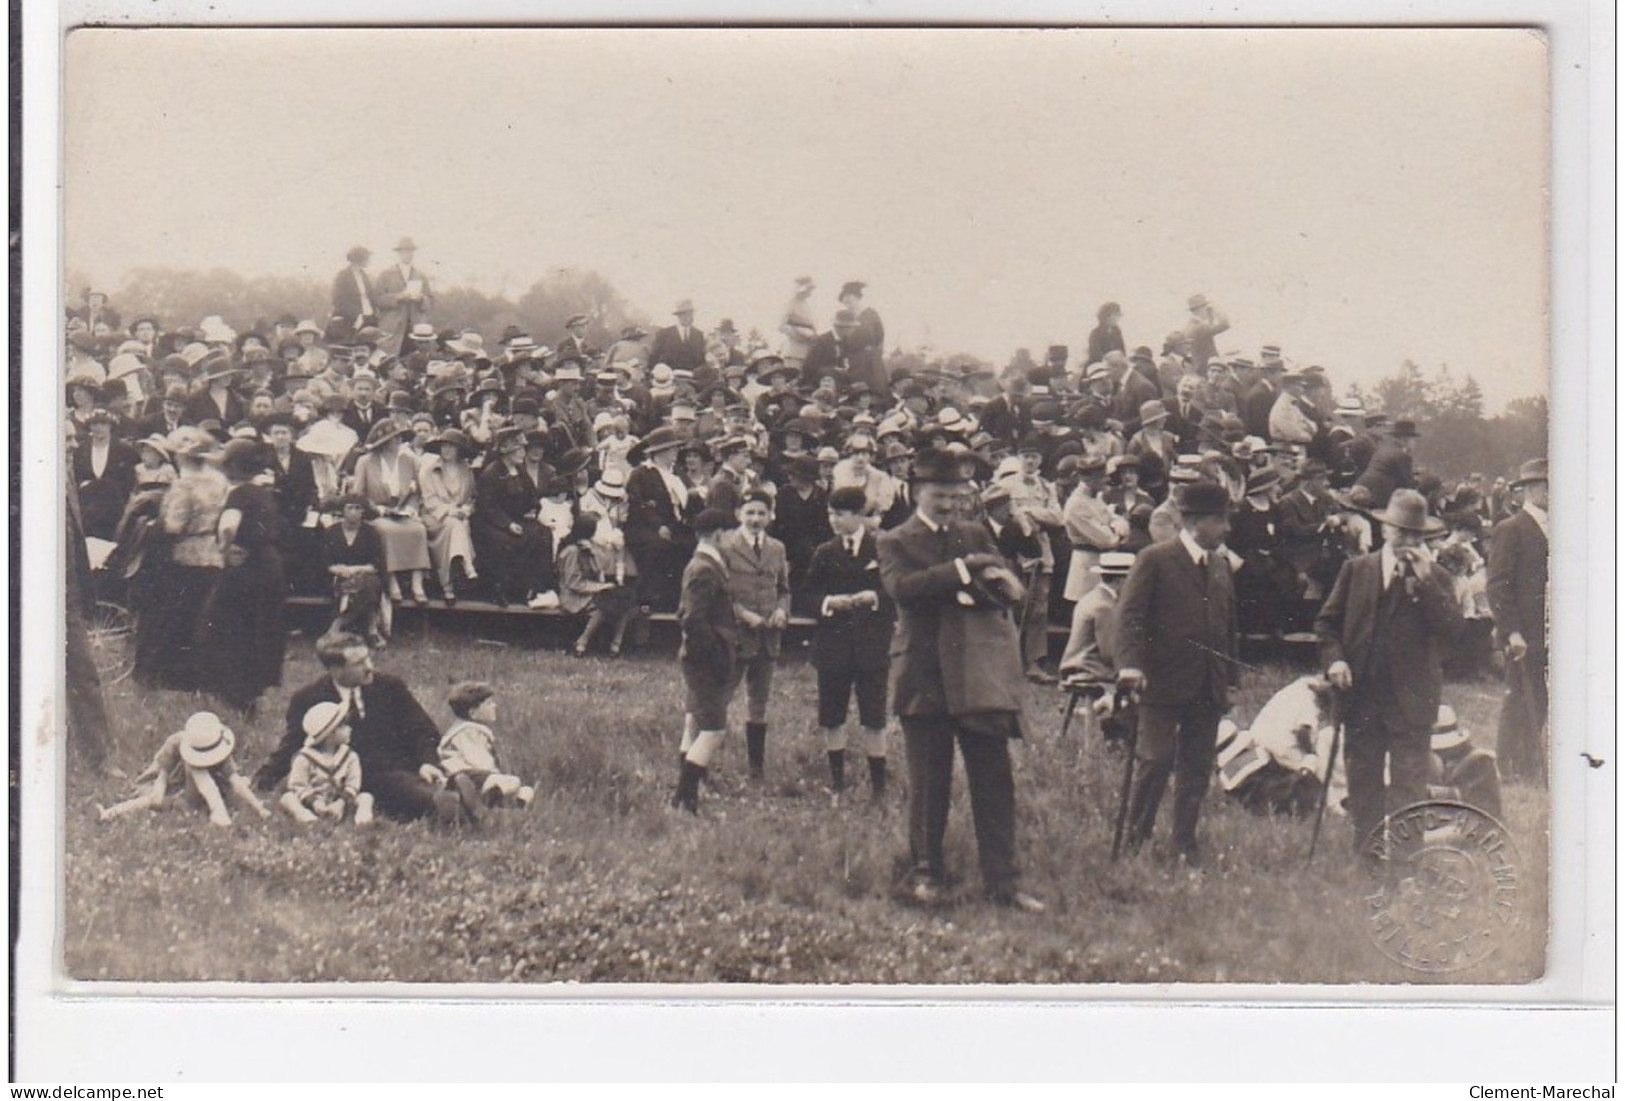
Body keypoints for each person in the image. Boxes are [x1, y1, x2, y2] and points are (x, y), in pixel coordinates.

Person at [877, 448, 1044, 912]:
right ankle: (925, 874)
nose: (950, 505)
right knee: (929, 784)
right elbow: (905, 591)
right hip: (925, 677)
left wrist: (996, 579)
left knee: (994, 780)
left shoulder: (974, 532)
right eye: (939, 496)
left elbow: (1006, 585)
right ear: (916, 493)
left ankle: (1003, 881)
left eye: (957, 496)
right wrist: (965, 571)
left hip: (979, 678)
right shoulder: (895, 540)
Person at [1315, 489, 1463, 857]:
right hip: (1362, 693)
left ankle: (1404, 863)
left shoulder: (1438, 577)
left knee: (1408, 782)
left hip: (1411, 698)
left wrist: (1427, 582)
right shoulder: (1356, 570)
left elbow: (1453, 631)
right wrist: (1335, 661)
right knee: (1363, 777)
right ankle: (1367, 855)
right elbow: (1326, 624)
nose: (1408, 542)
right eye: (1401, 533)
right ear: (1384, 531)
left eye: (1417, 535)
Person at [1114, 480, 1238, 865]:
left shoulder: (1219, 566)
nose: (1227, 529)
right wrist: (1130, 665)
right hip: (1162, 680)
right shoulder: (1156, 558)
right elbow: (1129, 616)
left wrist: (1229, 677)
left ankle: (1184, 841)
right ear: (1197, 522)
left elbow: (1226, 624)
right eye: (1221, 521)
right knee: (1156, 759)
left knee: (1197, 767)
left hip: (1207, 684)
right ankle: (1136, 838)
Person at [257, 632, 462, 823]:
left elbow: (422, 729)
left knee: (410, 781)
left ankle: (462, 794)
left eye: (368, 658)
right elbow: (292, 744)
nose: (370, 666)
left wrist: (428, 762)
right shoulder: (309, 697)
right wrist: (263, 780)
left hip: (397, 765)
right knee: (408, 792)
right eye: (359, 663)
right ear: (336, 669)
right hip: (347, 776)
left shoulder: (390, 686)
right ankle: (448, 805)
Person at [803, 486, 896, 799]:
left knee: (874, 714)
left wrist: (875, 598)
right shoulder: (825, 552)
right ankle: (837, 779)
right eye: (830, 514)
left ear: (858, 515)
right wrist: (830, 602)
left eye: (840, 514)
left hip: (872, 646)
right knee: (832, 713)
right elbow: (807, 597)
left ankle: (879, 783)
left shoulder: (881, 549)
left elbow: (899, 593)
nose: (834, 520)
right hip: (833, 645)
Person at [193, 439, 287, 716]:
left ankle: (235, 694)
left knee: (218, 628)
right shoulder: (262, 493)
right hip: (269, 568)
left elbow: (227, 528)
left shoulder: (238, 495)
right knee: (257, 631)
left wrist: (227, 551)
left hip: (246, 569)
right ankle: (251, 693)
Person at [671, 508, 742, 814]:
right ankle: (685, 797)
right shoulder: (704, 568)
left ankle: (686, 793)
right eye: (730, 533)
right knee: (713, 730)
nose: (733, 539)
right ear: (716, 535)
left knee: (695, 721)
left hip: (699, 656)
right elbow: (692, 619)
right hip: (705, 659)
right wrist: (713, 653)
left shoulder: (707, 563)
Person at [718, 489, 791, 780]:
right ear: (738, 514)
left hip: (767, 637)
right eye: (750, 512)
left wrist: (782, 611)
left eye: (761, 513)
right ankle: (705, 761)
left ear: (770, 516)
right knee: (721, 697)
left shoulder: (777, 548)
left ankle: (755, 768)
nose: (755, 519)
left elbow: (784, 588)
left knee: (759, 702)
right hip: (735, 636)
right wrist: (743, 614)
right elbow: (719, 594)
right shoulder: (725, 546)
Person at [1487, 458, 1549, 785]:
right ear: (1533, 489)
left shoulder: (1555, 526)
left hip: (1547, 629)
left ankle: (1527, 760)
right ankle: (1508, 764)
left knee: (1540, 696)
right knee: (1518, 696)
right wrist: (1511, 630)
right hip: (1522, 632)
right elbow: (1498, 585)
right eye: (1549, 487)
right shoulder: (1511, 528)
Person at [98, 711, 271, 828]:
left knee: (209, 774)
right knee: (151, 799)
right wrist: (158, 793)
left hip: (217, 789)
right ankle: (109, 813)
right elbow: (162, 773)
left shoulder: (219, 747)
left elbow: (235, 781)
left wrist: (259, 808)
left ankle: (219, 810)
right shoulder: (176, 743)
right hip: (182, 790)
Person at [473, 427, 559, 608]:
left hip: (518, 518)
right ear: (507, 451)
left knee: (542, 534)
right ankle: (501, 588)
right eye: (519, 449)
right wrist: (507, 524)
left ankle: (534, 587)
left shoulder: (520, 470)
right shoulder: (491, 473)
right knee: (506, 541)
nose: (523, 453)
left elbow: (531, 495)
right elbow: (487, 507)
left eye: (522, 448)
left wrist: (534, 510)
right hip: (492, 523)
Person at [350, 421, 432, 605]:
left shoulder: (408, 460)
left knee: (418, 529)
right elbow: (358, 495)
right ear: (384, 442)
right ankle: (392, 581)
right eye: (394, 439)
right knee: (388, 532)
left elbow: (415, 491)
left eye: (399, 438)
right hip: (377, 514)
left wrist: (410, 508)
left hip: (402, 512)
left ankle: (417, 583)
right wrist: (377, 509)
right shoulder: (366, 462)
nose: (398, 442)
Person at [439, 681, 535, 824]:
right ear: (473, 712)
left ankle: (507, 812)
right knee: (513, 782)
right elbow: (478, 761)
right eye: (489, 704)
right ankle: (482, 807)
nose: (494, 706)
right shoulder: (468, 731)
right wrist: (496, 776)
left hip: (478, 777)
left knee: (526, 791)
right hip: (467, 775)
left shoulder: (472, 729)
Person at [624, 426, 694, 613]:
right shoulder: (641, 473)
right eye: (672, 449)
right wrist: (659, 525)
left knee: (689, 544)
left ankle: (679, 599)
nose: (676, 452)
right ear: (659, 452)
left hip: (673, 525)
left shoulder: (678, 473)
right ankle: (648, 598)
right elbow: (638, 504)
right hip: (644, 527)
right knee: (658, 545)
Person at [279, 701, 376, 825]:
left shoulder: (350, 756)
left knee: (366, 797)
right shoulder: (304, 758)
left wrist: (341, 802)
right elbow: (299, 785)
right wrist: (315, 803)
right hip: (312, 800)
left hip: (341, 800)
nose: (349, 729)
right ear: (330, 733)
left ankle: (363, 816)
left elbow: (353, 783)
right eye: (343, 726)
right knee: (288, 798)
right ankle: (304, 815)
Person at [557, 513, 639, 657]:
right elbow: (573, 583)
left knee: (626, 599)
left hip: (589, 591)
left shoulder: (588, 547)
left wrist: (592, 552)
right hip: (574, 596)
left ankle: (616, 644)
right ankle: (582, 642)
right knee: (606, 603)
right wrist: (601, 587)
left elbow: (600, 568)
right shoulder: (571, 551)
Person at [417, 428, 479, 604]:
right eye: (444, 446)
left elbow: (472, 497)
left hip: (459, 517)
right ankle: (467, 565)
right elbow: (429, 501)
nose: (447, 450)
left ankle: (448, 587)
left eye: (451, 447)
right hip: (434, 517)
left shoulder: (466, 469)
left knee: (456, 525)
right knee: (455, 525)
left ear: (459, 450)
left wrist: (467, 509)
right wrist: (450, 511)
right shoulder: (429, 470)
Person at [374, 237, 434, 352]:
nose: (408, 254)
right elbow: (378, 299)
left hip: (415, 326)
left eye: (411, 251)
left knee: (415, 357)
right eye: (405, 251)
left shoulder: (421, 275)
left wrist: (421, 299)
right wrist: (398, 297)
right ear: (399, 253)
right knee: (391, 357)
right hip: (393, 328)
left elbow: (430, 300)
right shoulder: (386, 274)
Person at [329, 245, 379, 341]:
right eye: (366, 257)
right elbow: (338, 300)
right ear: (359, 258)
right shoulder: (343, 276)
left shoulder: (365, 277)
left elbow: (371, 299)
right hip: (349, 320)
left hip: (369, 318)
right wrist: (357, 314)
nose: (368, 260)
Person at [650, 299, 707, 375]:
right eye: (684, 315)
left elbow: (701, 359)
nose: (688, 317)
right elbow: (654, 356)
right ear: (678, 316)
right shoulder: (665, 333)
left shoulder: (698, 334)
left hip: (693, 376)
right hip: (670, 376)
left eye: (690, 314)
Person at [779, 276, 819, 373]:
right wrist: (799, 336)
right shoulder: (790, 303)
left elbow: (810, 325)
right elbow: (782, 326)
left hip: (807, 351)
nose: (810, 292)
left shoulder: (806, 305)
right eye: (808, 289)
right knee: (792, 378)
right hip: (793, 352)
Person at [1086, 301, 1125, 366]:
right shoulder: (1095, 333)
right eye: (1116, 315)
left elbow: (1122, 350)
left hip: (1116, 365)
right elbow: (1095, 356)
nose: (1118, 319)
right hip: (1099, 366)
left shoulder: (1117, 331)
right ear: (1107, 316)